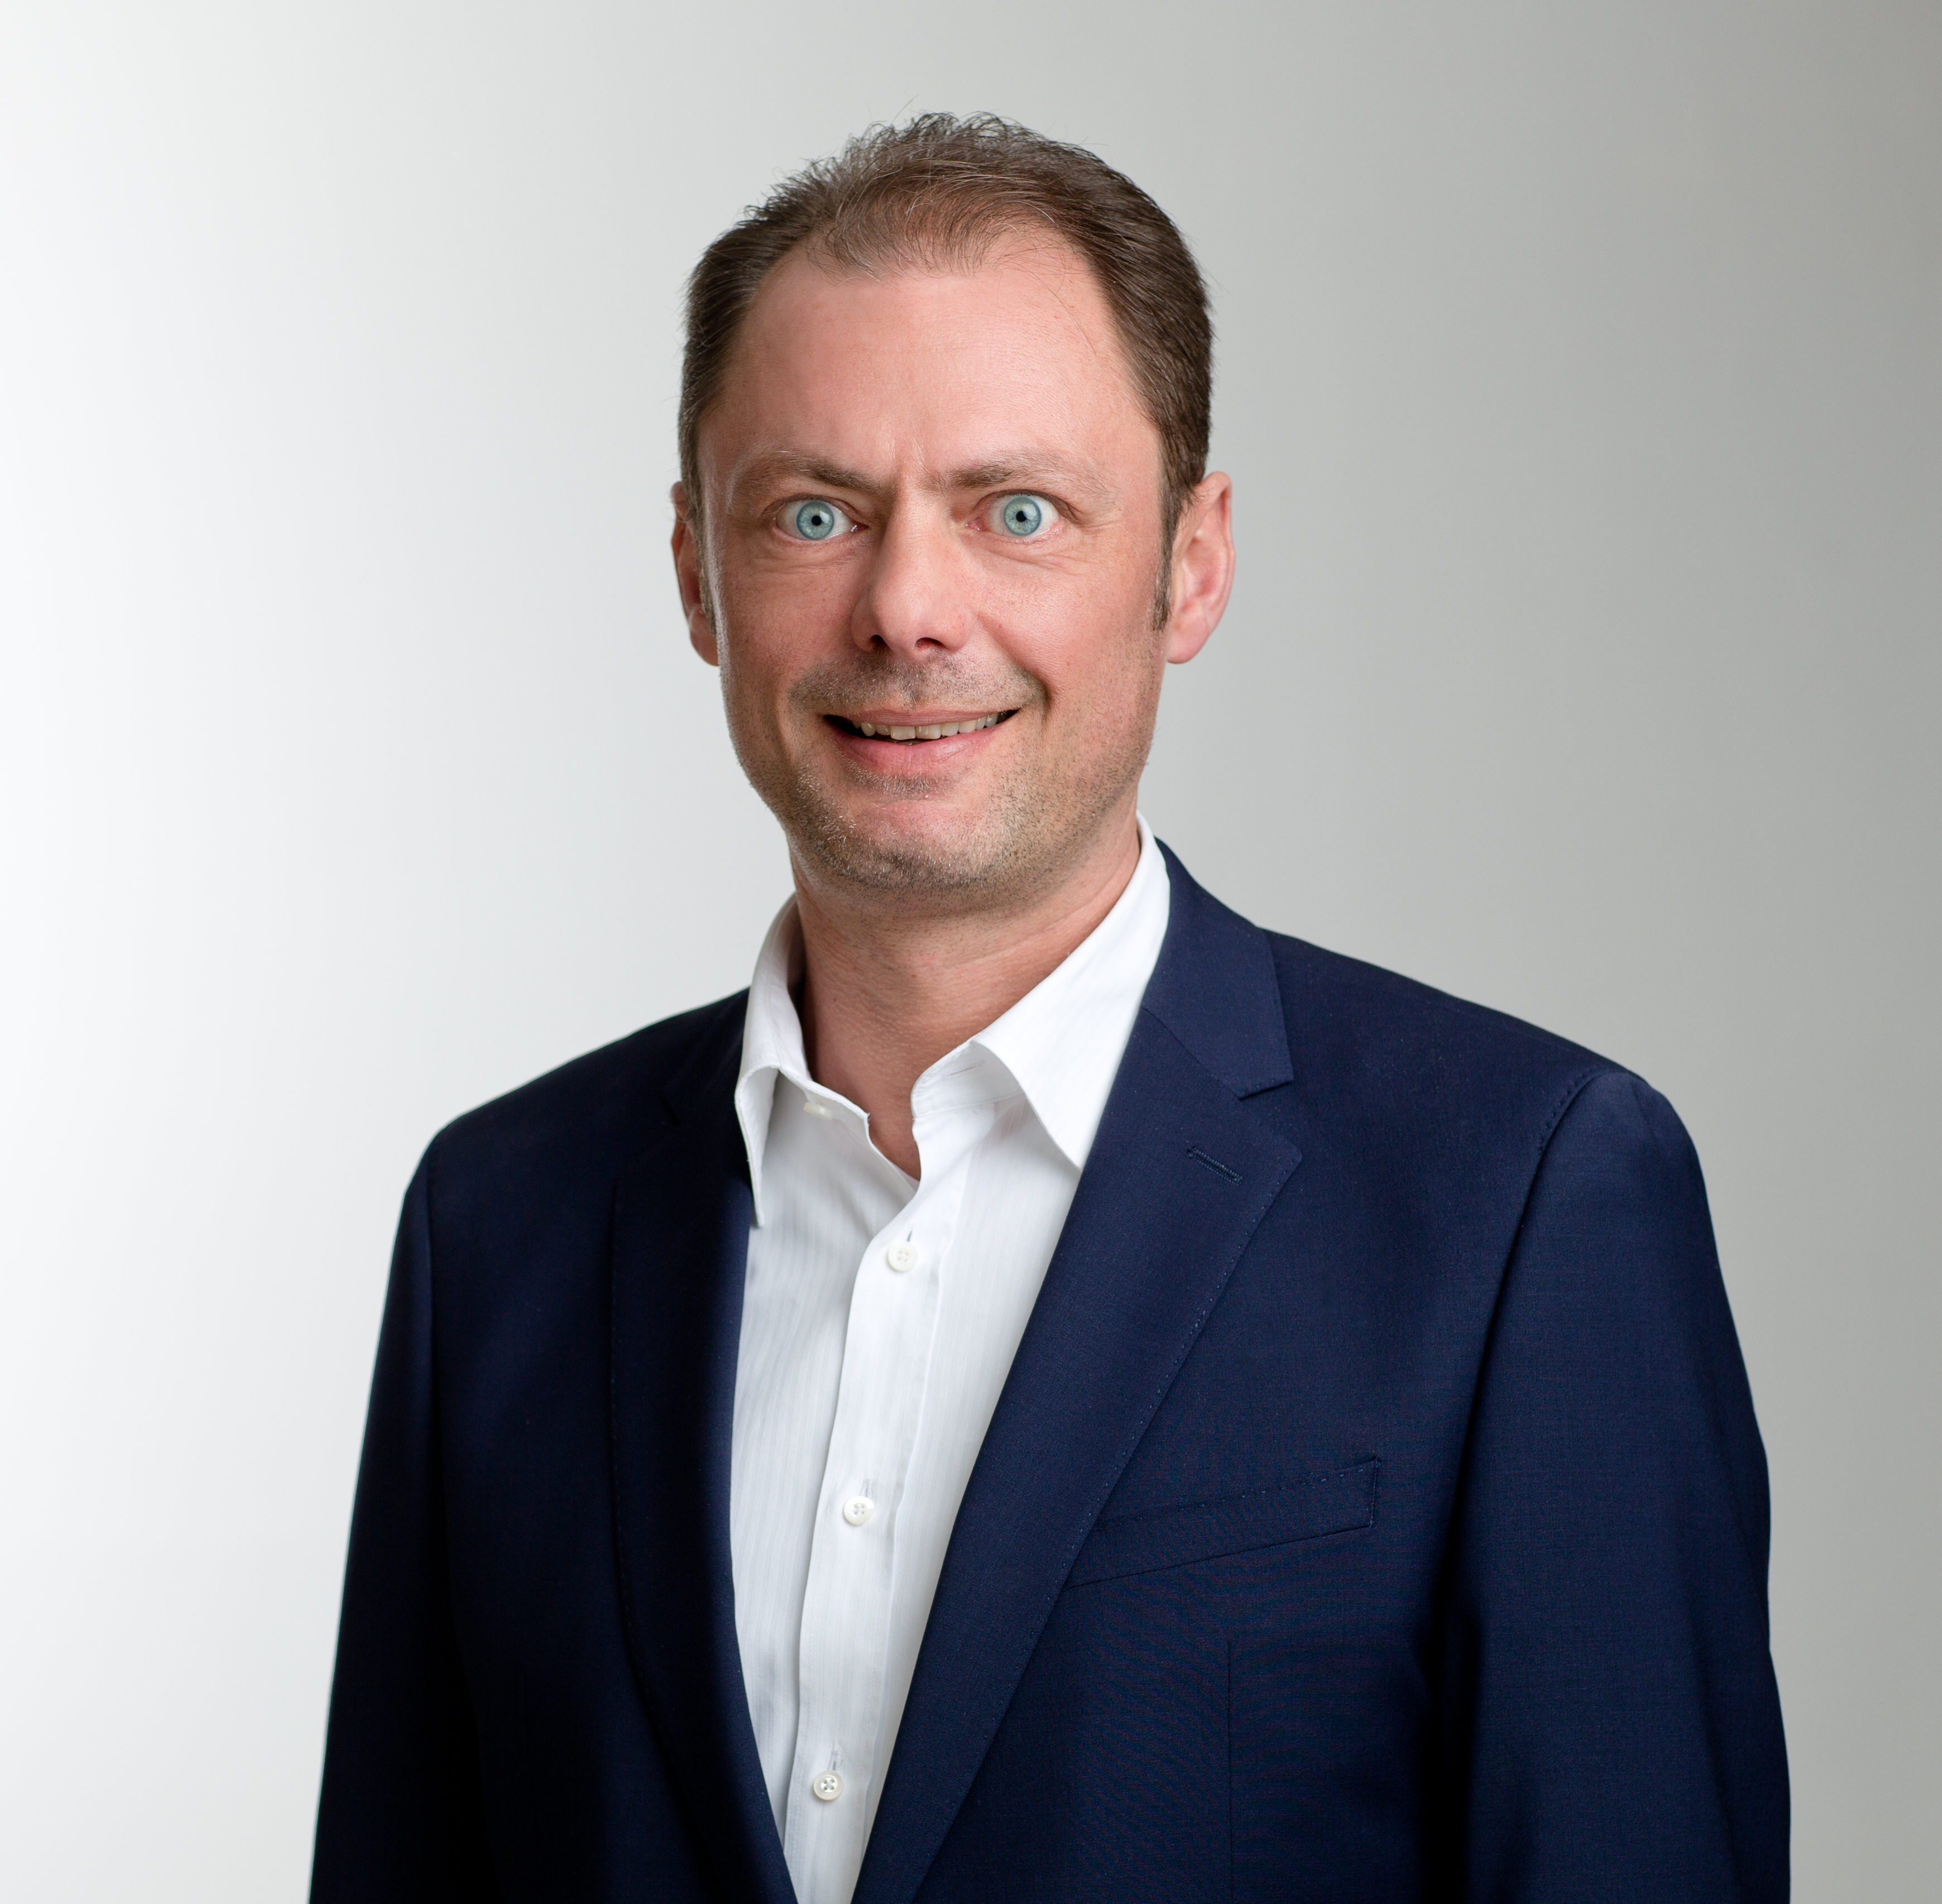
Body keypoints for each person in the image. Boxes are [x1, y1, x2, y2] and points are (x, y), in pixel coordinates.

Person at [310, 116, 1788, 1903]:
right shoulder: (498, 1225)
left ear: (1191, 563)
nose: (908, 609)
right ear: (697, 571)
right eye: (812, 512)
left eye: (1017, 512)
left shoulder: (1521, 1203)